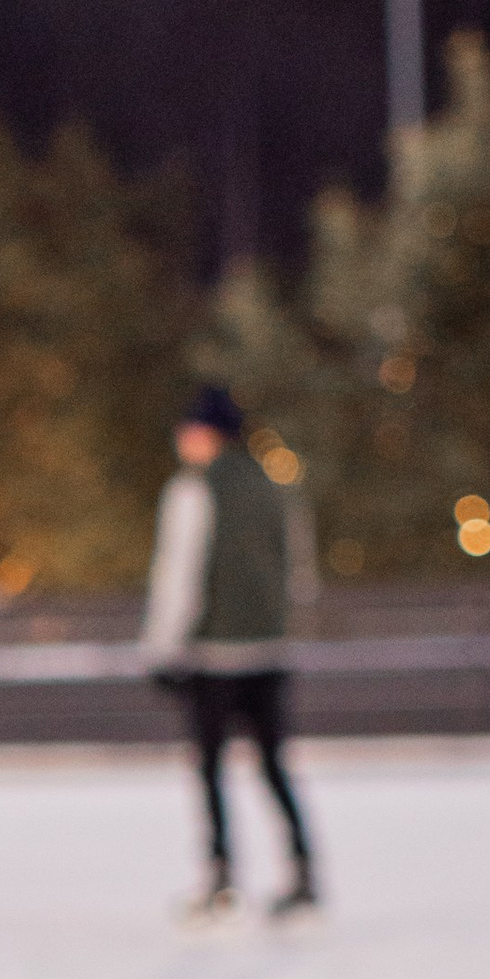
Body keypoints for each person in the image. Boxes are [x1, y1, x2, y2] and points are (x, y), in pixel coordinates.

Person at [140, 385, 319, 921]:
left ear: (202, 433)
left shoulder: (193, 492)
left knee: (211, 767)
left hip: (216, 654)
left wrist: (161, 650)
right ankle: (304, 871)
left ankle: (220, 879)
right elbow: (300, 572)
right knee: (273, 765)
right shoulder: (274, 486)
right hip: (269, 649)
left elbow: (179, 576)